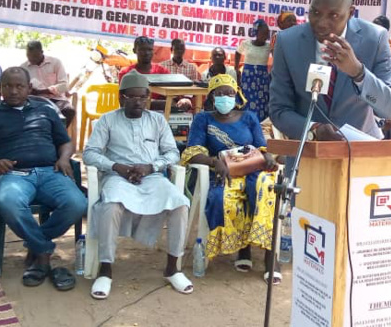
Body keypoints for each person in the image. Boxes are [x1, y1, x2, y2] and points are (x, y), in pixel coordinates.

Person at [0, 67, 87, 291]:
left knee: (77, 203)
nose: (12, 91)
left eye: (19, 86)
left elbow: (66, 142)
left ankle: (36, 246)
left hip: (50, 171)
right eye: (7, 86)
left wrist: (65, 158)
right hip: (14, 176)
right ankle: (44, 252)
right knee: (8, 203)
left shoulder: (45, 108)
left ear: (29, 88)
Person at [83, 72, 193, 298]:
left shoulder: (157, 120)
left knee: (180, 204)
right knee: (111, 205)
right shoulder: (108, 120)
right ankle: (105, 270)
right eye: (132, 97)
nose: (138, 102)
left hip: (151, 177)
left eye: (142, 97)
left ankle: (173, 268)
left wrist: (151, 167)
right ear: (121, 98)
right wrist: (117, 167)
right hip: (117, 178)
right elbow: (90, 154)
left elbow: (172, 153)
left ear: (148, 98)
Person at [270, 0, 391, 141]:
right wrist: (313, 129)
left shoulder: (374, 39)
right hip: (307, 157)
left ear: (350, 13)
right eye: (315, 12)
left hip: (359, 157)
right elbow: (278, 109)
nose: (321, 23)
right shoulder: (287, 41)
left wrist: (358, 72)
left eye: (333, 15)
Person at [180, 75, 280, 283]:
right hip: (223, 173)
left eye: (229, 93)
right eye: (219, 93)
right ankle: (243, 249)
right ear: (211, 97)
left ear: (236, 95)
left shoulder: (249, 117)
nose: (225, 97)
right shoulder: (203, 119)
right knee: (220, 198)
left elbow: (262, 147)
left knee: (266, 190)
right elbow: (192, 152)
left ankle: (272, 257)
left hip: (252, 170)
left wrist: (268, 156)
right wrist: (214, 162)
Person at [119, 36, 191, 112]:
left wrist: (184, 100)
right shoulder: (126, 73)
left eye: (150, 50)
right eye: (142, 50)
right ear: (134, 50)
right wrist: (157, 102)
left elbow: (174, 97)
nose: (146, 53)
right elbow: (125, 102)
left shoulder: (163, 71)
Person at [21, 40, 74, 124]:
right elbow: (21, 87)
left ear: (42, 52)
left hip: (56, 99)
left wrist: (42, 91)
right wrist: (28, 91)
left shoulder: (55, 63)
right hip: (34, 100)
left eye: (35, 56)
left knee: (68, 110)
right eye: (28, 55)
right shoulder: (23, 68)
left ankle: (57, 135)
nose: (31, 59)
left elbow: (64, 86)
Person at [234, 19, 274, 121]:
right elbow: (238, 53)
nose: (265, 36)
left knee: (262, 100)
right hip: (248, 76)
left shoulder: (269, 47)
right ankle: (247, 121)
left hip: (262, 77)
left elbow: (276, 58)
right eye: (263, 33)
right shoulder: (246, 43)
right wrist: (236, 67)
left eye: (267, 34)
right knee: (247, 99)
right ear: (256, 33)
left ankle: (260, 123)